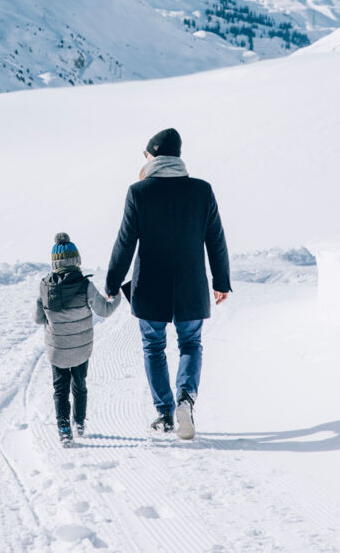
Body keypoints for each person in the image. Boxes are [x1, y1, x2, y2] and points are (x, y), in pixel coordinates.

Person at [105, 128, 231, 440]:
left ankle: (163, 412)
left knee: (153, 346)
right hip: (191, 285)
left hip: (150, 285)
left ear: (154, 155)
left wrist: (112, 280)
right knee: (190, 344)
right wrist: (221, 281)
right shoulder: (201, 190)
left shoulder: (139, 191)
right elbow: (215, 239)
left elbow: (125, 242)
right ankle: (185, 400)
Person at [35, 232, 120, 445]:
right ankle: (79, 423)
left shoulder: (45, 287)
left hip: (57, 349)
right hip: (81, 350)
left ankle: (64, 428)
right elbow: (105, 310)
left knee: (60, 388)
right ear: (77, 260)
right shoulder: (85, 285)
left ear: (54, 263)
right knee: (79, 384)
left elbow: (37, 318)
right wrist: (117, 296)